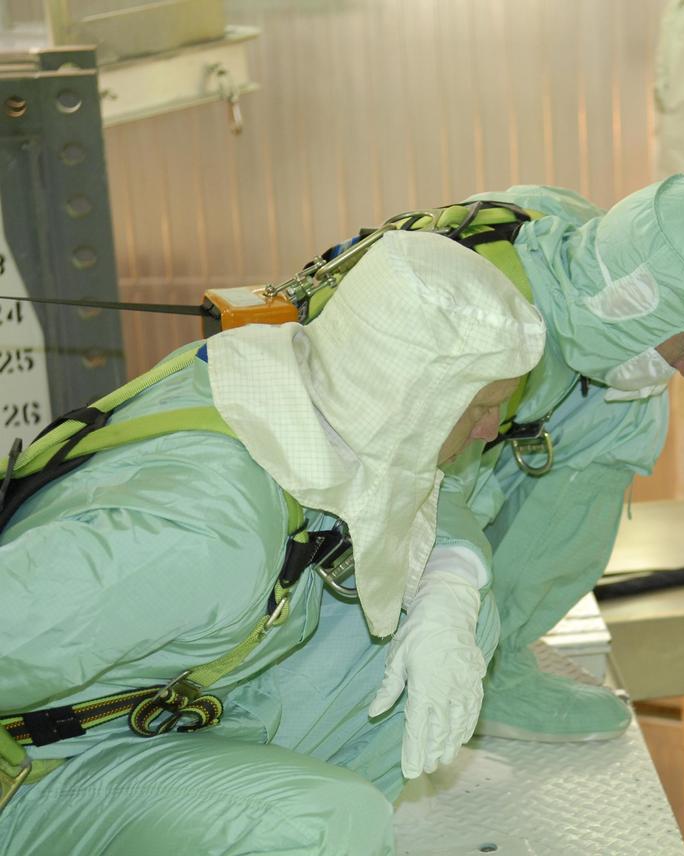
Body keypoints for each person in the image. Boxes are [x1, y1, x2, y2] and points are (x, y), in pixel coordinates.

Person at [0, 231, 546, 855]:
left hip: (133, 712)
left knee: (450, 614)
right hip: (38, 772)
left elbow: (427, 494)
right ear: (412, 399)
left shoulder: (294, 388)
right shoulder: (206, 533)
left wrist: (450, 582)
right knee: (329, 827)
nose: (488, 429)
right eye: (479, 405)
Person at [432, 173, 684, 742]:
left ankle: (490, 655)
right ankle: (475, 673)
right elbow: (421, 495)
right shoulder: (493, 332)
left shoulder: (568, 239)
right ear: (637, 307)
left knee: (628, 410)